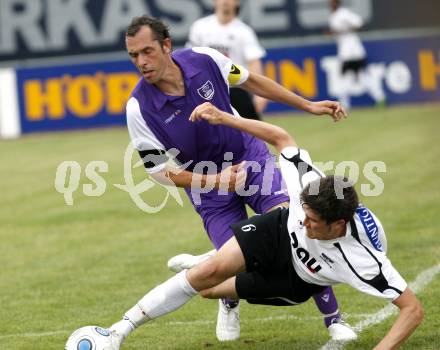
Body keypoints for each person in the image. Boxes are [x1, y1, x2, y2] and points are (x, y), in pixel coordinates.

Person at [105, 103, 423, 350]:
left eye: (312, 221)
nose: (304, 220)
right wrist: (225, 117)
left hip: (299, 277)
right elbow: (281, 137)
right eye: (305, 212)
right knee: (207, 274)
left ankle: (216, 258)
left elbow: (412, 309)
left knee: (210, 291)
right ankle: (118, 330)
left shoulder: (364, 258)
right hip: (276, 230)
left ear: (337, 225)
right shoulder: (308, 184)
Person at [123, 15, 355, 342]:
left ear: (167, 45)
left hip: (250, 157)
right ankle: (228, 299)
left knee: (296, 228)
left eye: (147, 51)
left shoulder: (207, 59)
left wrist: (308, 105)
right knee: (238, 260)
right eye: (134, 55)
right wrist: (217, 181)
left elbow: (252, 82)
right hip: (207, 187)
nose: (141, 62)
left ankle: (333, 319)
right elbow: (160, 172)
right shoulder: (138, 108)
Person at [187, 0, 268, 120]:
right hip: (208, 88)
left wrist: (260, 94)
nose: (225, 1)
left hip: (236, 89)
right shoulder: (200, 27)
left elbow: (254, 61)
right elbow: (190, 58)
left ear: (237, 3)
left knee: (253, 133)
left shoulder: (244, 31)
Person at [328, 0, 386, 110]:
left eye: (332, 2)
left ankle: (344, 105)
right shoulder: (334, 16)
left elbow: (358, 22)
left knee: (345, 77)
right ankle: (380, 97)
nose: (330, 4)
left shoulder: (343, 13)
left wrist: (345, 30)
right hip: (348, 52)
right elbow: (337, 32)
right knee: (360, 77)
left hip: (352, 52)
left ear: (337, 2)